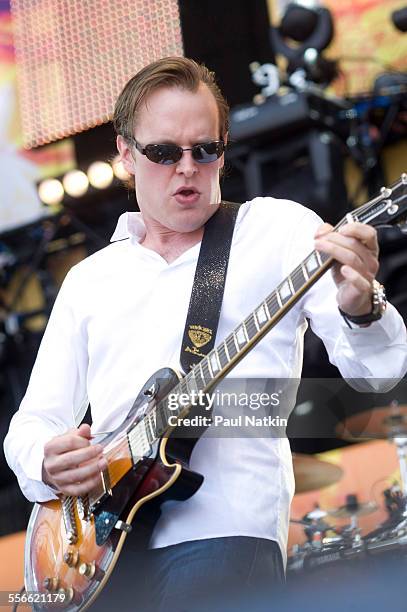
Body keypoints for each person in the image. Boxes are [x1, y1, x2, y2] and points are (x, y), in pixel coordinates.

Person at [4, 57, 407, 611]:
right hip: (101, 544)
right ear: (125, 153)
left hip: (228, 526)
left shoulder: (276, 231)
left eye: (206, 150)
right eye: (164, 152)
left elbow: (380, 370)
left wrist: (362, 304)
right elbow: (33, 422)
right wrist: (45, 461)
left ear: (224, 149)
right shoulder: (89, 281)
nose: (187, 167)